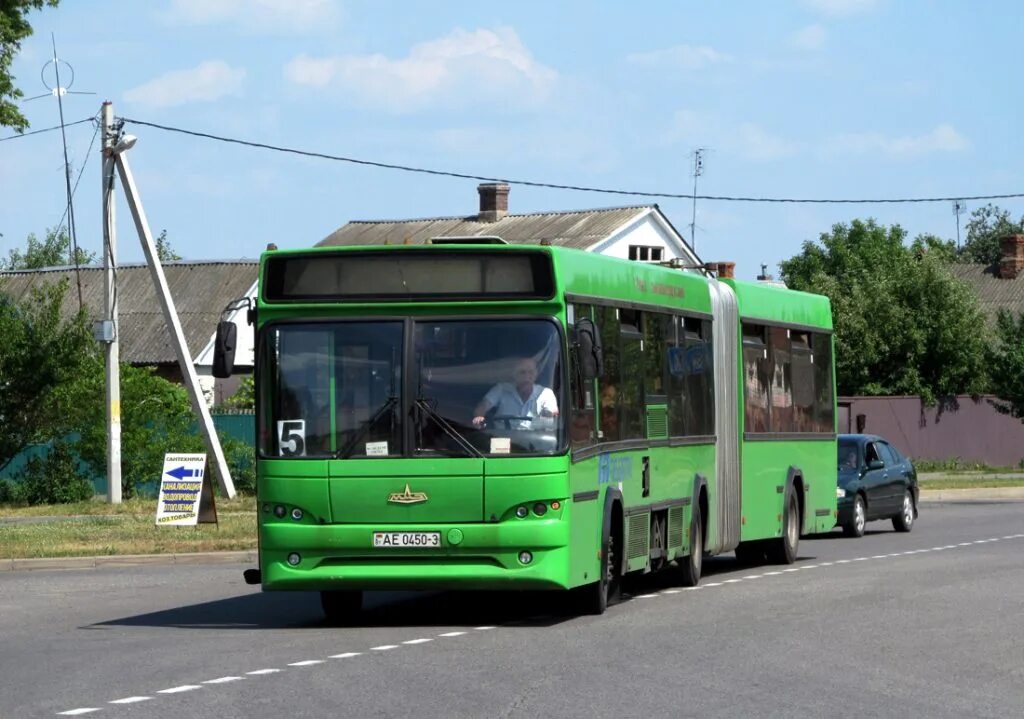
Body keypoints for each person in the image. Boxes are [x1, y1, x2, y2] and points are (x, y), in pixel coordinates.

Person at [472, 357, 558, 430]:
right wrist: (479, 417)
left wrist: (549, 415)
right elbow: (483, 406)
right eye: (522, 372)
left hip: (533, 444)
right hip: (501, 442)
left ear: (536, 375)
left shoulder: (545, 393)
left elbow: (552, 413)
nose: (527, 377)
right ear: (514, 375)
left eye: (531, 372)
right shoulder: (501, 389)